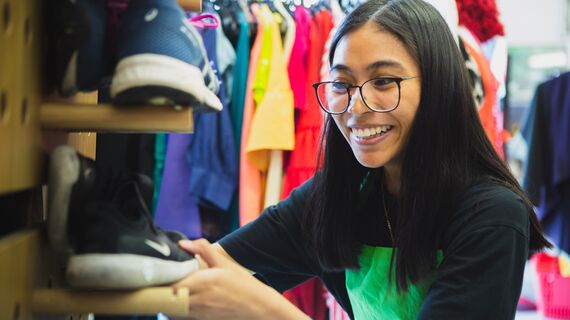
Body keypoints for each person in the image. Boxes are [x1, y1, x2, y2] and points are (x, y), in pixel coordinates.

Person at [174, 0, 551, 319]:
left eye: (384, 81)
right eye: (341, 84)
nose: (356, 107)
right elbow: (215, 263)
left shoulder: (494, 215)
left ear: (439, 87)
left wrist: (271, 311)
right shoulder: (337, 196)